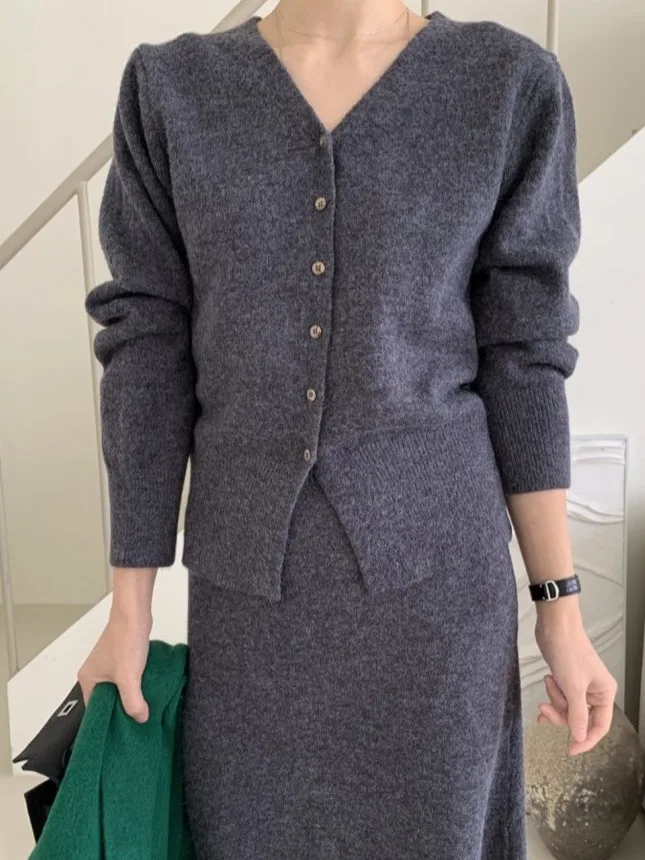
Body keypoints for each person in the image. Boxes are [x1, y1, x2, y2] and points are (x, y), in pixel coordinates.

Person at [79, 2, 618, 857]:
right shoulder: (173, 89)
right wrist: (129, 610)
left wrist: (559, 609)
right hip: (251, 606)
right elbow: (146, 351)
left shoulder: (506, 85)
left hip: (438, 599)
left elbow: (524, 356)